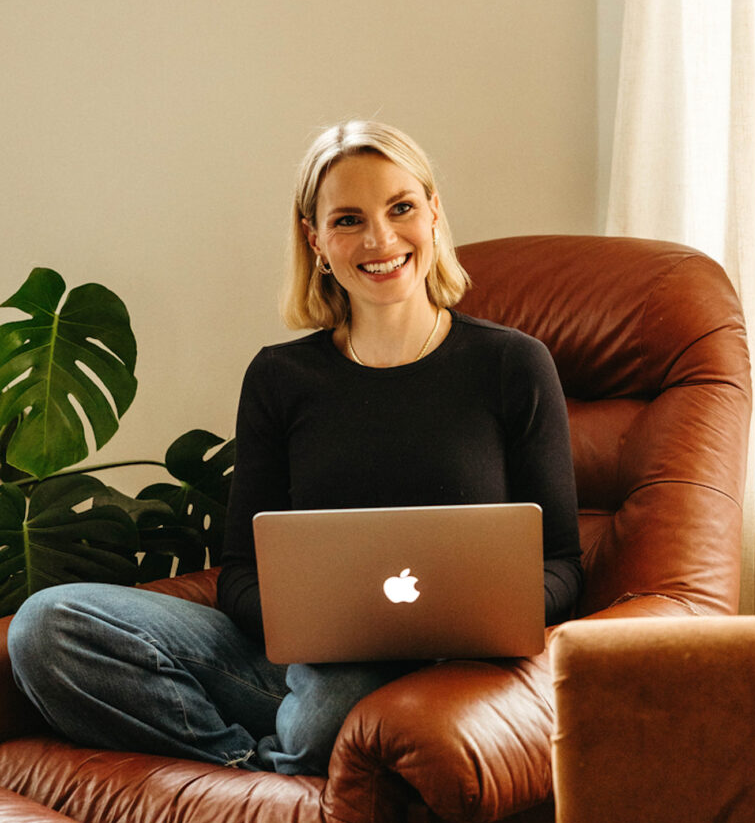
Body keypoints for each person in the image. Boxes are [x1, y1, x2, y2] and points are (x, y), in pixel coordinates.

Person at [8, 120, 582, 776]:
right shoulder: (280, 377)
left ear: (433, 213)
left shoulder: (510, 364)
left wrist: (466, 620)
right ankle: (247, 761)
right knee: (45, 626)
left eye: (400, 208)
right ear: (315, 240)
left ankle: (289, 749)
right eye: (347, 219)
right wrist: (313, 624)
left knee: (329, 711)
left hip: (432, 668)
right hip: (289, 658)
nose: (380, 239)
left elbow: (561, 563)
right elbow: (240, 572)